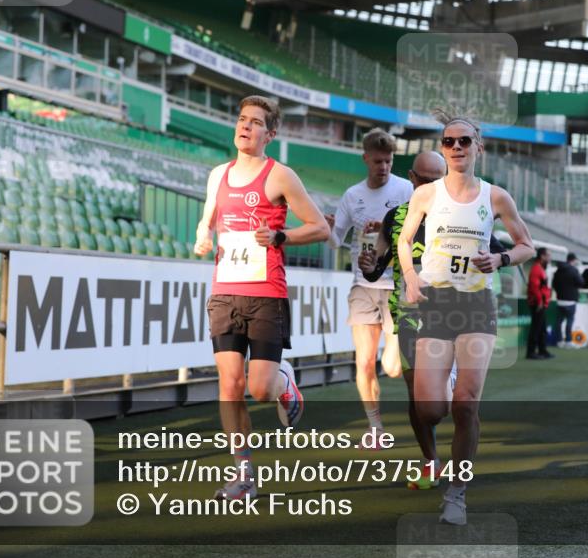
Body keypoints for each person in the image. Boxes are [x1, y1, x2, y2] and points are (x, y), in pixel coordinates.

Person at [399, 111, 535, 526]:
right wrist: (410, 278)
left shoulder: (496, 197)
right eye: (449, 141)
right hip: (436, 303)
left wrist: (500, 258)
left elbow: (526, 245)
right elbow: (404, 241)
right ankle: (449, 377)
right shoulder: (426, 195)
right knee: (429, 409)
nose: (456, 147)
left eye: (464, 141)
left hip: (476, 305)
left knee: (466, 404)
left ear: (479, 147)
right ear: (442, 149)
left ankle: (457, 494)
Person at [194, 95, 330, 500]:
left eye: (255, 122)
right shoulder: (218, 174)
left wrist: (279, 236)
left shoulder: (281, 176)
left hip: (266, 293)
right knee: (229, 384)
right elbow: (207, 219)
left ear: (270, 134)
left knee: (259, 389)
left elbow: (320, 227)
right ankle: (243, 475)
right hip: (225, 292)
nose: (245, 126)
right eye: (242, 119)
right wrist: (203, 236)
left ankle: (284, 383)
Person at [358, 151, 509, 491]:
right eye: (423, 179)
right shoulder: (397, 217)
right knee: (417, 395)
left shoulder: (462, 211)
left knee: (458, 403)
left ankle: (456, 469)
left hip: (456, 311)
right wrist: (368, 266)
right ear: (412, 179)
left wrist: (496, 260)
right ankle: (430, 461)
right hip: (409, 314)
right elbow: (377, 268)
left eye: (435, 178)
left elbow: (496, 249)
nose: (430, 185)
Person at [326, 128, 413, 442]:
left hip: (396, 285)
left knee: (393, 367)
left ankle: (397, 356)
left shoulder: (406, 189)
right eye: (378, 161)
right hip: (363, 285)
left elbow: (418, 231)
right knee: (363, 362)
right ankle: (375, 428)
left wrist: (388, 229)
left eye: (389, 161)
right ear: (366, 159)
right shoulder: (353, 195)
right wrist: (327, 229)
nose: (384, 167)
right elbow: (335, 241)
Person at [526, 247, 552, 359]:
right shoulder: (537, 269)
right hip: (537, 303)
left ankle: (542, 350)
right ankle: (531, 352)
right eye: (548, 256)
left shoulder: (540, 268)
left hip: (541, 303)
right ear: (542, 256)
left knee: (542, 329)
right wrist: (540, 302)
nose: (550, 258)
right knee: (536, 328)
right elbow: (534, 287)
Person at [551, 252, 582, 347]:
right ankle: (568, 341)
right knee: (569, 321)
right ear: (574, 260)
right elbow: (581, 282)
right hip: (571, 301)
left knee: (559, 322)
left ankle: (559, 341)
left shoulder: (558, 270)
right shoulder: (574, 270)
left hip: (560, 300)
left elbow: (554, 284)